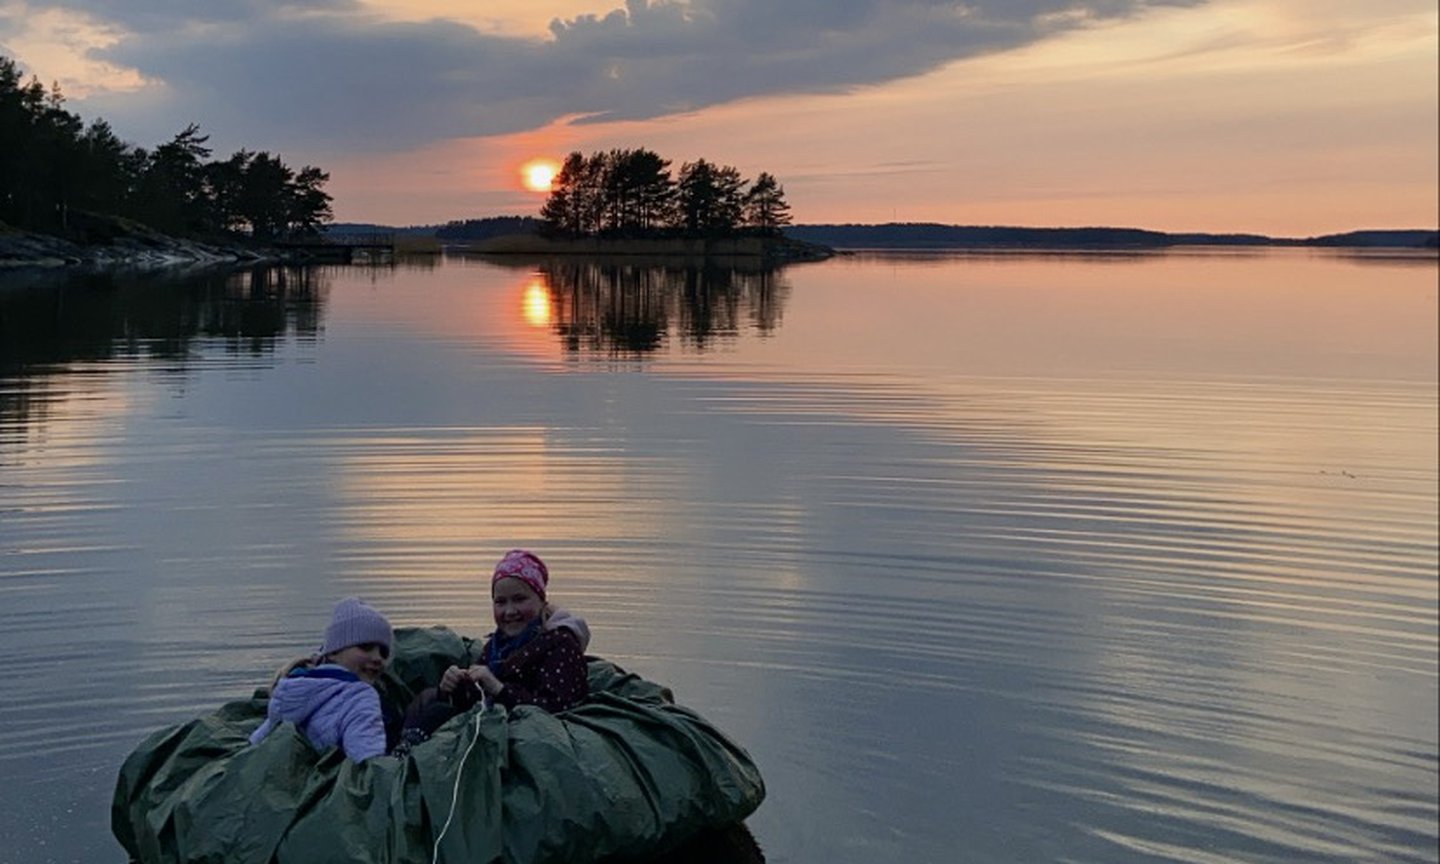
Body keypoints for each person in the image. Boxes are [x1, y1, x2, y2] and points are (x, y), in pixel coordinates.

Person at [403, 550, 589, 740]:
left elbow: (558, 709)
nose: (509, 611)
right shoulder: (496, 645)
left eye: (519, 599)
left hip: (529, 739)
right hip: (493, 722)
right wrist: (452, 686)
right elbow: (474, 700)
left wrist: (498, 689)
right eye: (500, 602)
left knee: (437, 715)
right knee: (430, 702)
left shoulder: (560, 644)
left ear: (541, 600)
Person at [249, 596, 394, 762]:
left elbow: (256, 742)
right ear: (333, 652)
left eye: (383, 652)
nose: (377, 658)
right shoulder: (361, 696)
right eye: (365, 647)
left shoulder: (289, 688)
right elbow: (368, 765)